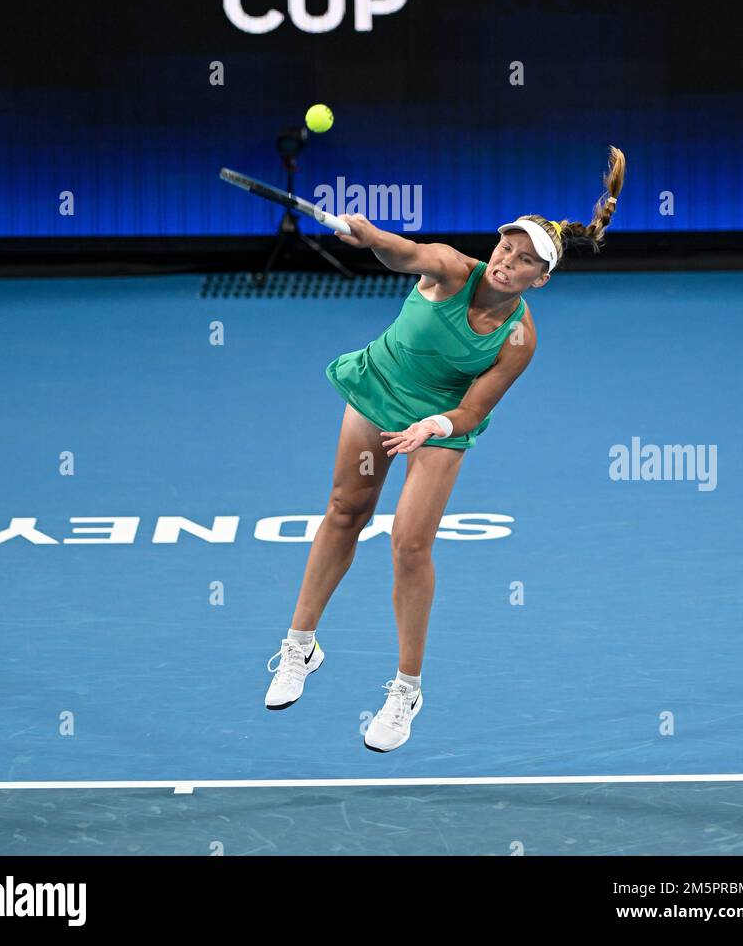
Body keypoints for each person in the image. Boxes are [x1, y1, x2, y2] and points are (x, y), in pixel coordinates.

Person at [265, 147, 626, 751]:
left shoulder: (519, 339)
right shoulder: (452, 269)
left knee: (410, 543)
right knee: (345, 510)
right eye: (508, 246)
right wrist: (366, 232)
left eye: (526, 260)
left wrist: (433, 427)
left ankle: (406, 689)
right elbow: (402, 251)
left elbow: (474, 410)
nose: (509, 261)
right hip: (379, 385)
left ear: (542, 277)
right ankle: (299, 645)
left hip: (439, 418)